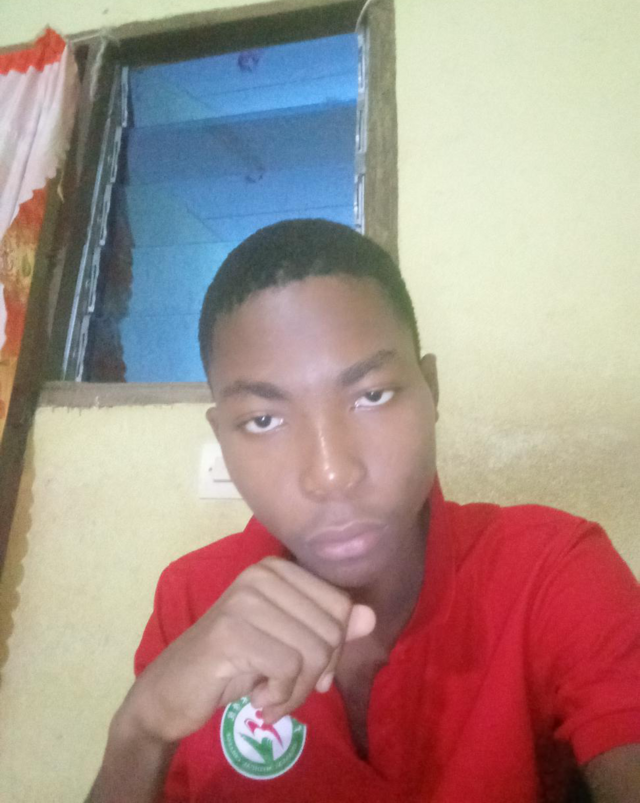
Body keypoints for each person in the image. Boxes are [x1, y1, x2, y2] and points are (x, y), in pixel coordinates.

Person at [87, 219, 640, 803]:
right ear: (222, 435)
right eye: (263, 420)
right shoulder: (191, 599)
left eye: (372, 395)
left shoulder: (550, 568)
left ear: (431, 390)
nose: (331, 474)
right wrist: (140, 729)